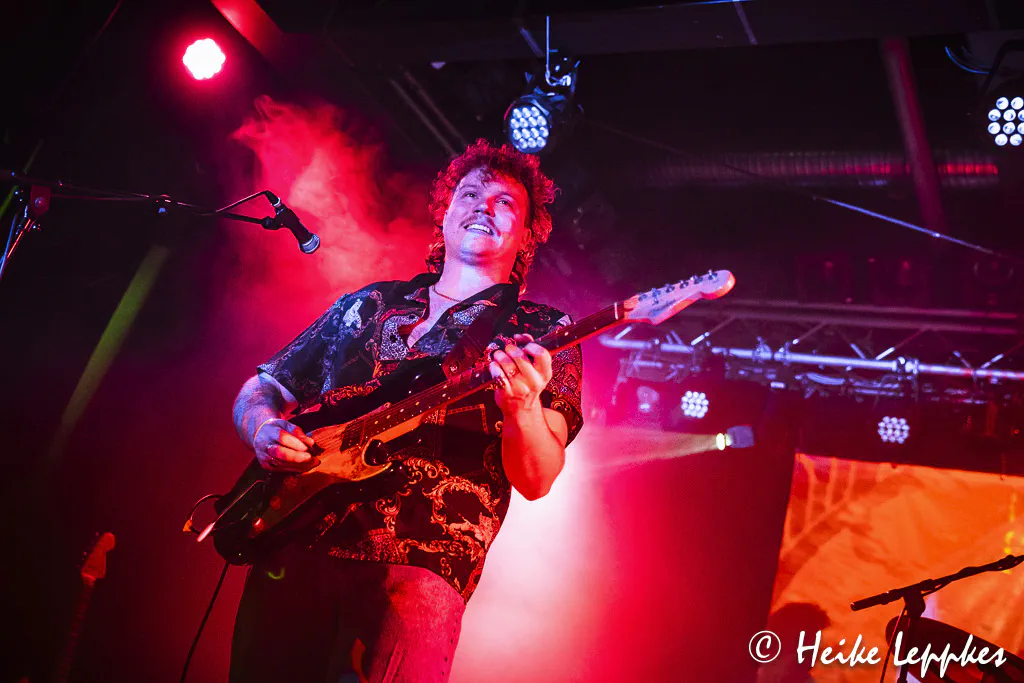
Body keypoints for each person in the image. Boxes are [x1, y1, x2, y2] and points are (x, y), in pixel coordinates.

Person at [228, 139, 584, 683]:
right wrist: (264, 429)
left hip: (419, 564)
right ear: (444, 213)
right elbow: (262, 387)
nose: (484, 207)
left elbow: (537, 479)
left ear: (528, 235)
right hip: (295, 540)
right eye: (470, 194)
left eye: (506, 202)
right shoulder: (368, 303)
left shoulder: (543, 331)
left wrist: (522, 407)